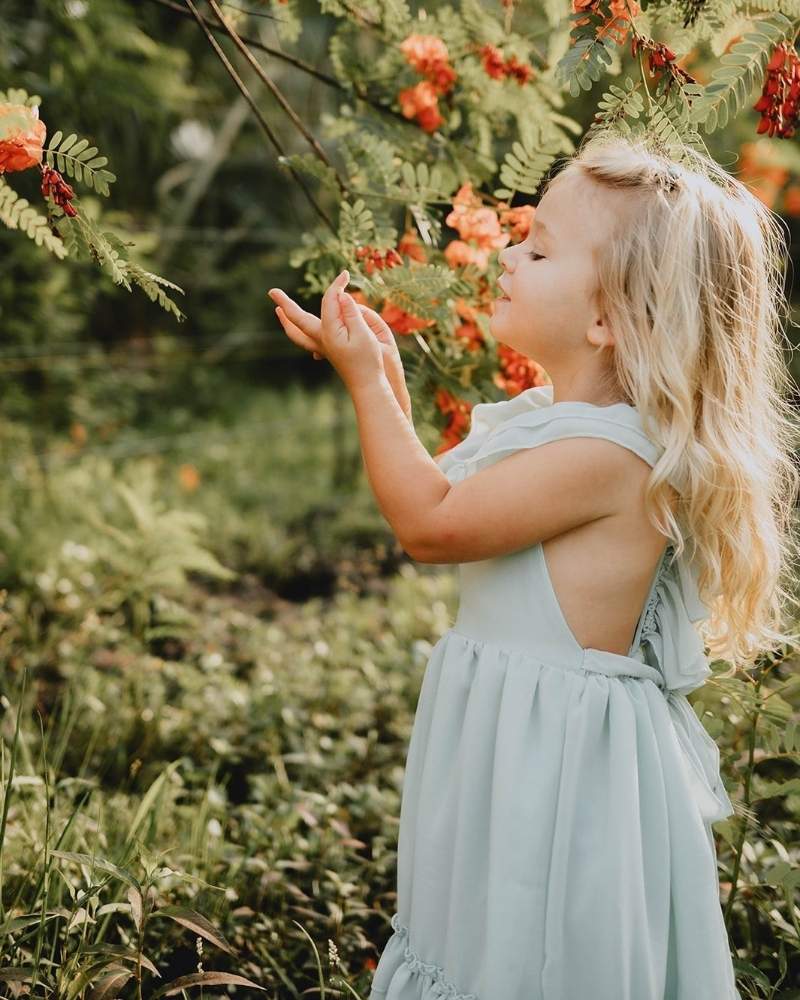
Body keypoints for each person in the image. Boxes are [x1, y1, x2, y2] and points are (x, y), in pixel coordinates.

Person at [267, 132, 800, 1000]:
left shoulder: (611, 456)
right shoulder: (556, 424)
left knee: (534, 953)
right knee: (490, 943)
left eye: (540, 250)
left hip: (557, 768)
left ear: (607, 319)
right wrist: (388, 377)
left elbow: (430, 526)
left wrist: (365, 384)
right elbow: (444, 493)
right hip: (516, 737)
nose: (510, 256)